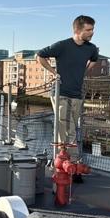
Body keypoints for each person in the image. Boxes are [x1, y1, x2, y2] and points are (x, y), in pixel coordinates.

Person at [37, 15, 100, 159]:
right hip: (61, 93)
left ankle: (62, 160)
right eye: (88, 30)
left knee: (68, 129)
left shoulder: (91, 49)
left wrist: (83, 71)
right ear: (78, 30)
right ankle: (74, 162)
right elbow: (40, 55)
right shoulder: (62, 45)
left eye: (93, 29)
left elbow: (94, 60)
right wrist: (54, 73)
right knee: (68, 130)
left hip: (77, 94)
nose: (92, 32)